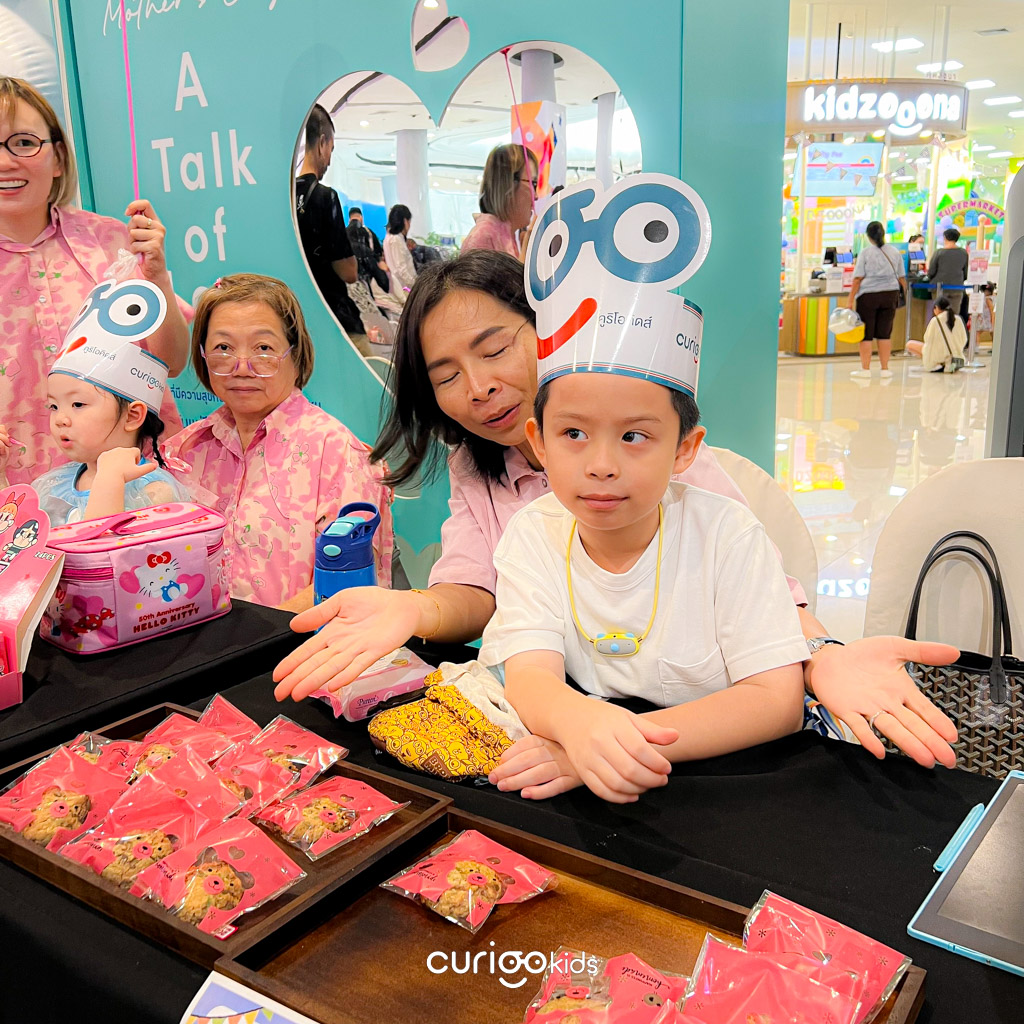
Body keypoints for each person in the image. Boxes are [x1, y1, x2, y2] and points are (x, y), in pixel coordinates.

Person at [273, 249, 959, 771]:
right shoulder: (495, 486)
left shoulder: (682, 492)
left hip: (704, 733)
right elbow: (480, 594)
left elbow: (769, 606)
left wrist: (824, 654)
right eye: (447, 376)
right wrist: (412, 609)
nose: (478, 388)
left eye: (496, 349)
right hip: (576, 726)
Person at [477, 326, 808, 804]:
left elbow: (777, 702)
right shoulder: (533, 534)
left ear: (684, 449)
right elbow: (530, 676)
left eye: (634, 436)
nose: (601, 465)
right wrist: (577, 725)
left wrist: (606, 747)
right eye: (574, 433)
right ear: (540, 441)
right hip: (592, 750)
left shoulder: (727, 535)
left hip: (723, 770)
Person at [0, 76, 189, 485]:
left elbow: (172, 363)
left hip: (134, 483)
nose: (5, 162)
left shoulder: (112, 242)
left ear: (58, 158)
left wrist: (157, 276)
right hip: (17, 495)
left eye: (23, 143)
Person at [164, 274, 394, 608]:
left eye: (264, 349)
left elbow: (347, 589)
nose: (242, 367)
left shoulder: (336, 453)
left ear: (295, 355)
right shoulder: (184, 450)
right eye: (223, 348)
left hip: (300, 638)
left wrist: (264, 637)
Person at [0, 279, 190, 524]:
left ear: (133, 416)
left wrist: (110, 481)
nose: (60, 419)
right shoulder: (52, 485)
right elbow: (20, 539)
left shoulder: (153, 491)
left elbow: (106, 544)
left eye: (78, 405)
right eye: (54, 406)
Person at [294, 104, 371, 357]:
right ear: (322, 143)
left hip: (298, 316)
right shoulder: (325, 197)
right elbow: (348, 272)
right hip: (333, 313)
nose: (328, 160)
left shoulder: (285, 195)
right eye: (331, 150)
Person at [846, 221, 906, 379]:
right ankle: (885, 369)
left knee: (866, 334)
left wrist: (850, 300)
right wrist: (901, 295)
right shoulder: (894, 252)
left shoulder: (865, 253)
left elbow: (858, 278)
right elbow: (902, 277)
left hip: (868, 296)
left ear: (869, 236)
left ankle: (865, 370)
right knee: (884, 333)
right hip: (890, 294)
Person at [460, 143, 537, 259]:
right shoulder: (483, 239)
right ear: (509, 185)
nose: (536, 196)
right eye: (533, 183)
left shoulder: (505, 236)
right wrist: (528, 251)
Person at [906, 297, 966, 373]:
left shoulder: (935, 320)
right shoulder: (958, 319)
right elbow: (964, 339)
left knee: (909, 344)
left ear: (937, 308)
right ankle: (948, 365)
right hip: (957, 360)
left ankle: (936, 363)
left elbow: (927, 339)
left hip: (939, 360)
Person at [926, 227, 969, 323]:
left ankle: (940, 332)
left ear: (945, 238)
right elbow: (965, 272)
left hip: (939, 288)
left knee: (939, 317)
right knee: (954, 316)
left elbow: (931, 272)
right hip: (957, 287)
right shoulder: (963, 253)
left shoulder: (939, 252)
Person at [382, 203, 417, 303]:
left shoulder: (389, 237)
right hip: (405, 288)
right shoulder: (396, 240)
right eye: (409, 222)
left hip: (400, 287)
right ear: (405, 221)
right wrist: (415, 285)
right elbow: (402, 269)